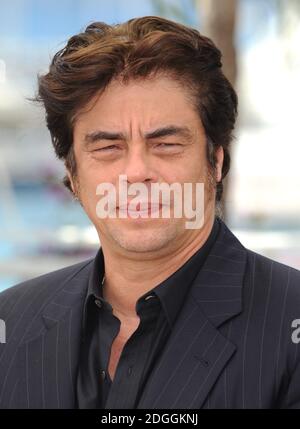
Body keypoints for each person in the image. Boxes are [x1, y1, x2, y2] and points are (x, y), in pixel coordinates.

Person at [0, 16, 299, 409]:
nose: (136, 173)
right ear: (72, 175)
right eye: (108, 147)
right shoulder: (11, 321)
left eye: (166, 144)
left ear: (216, 163)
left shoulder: (288, 323)